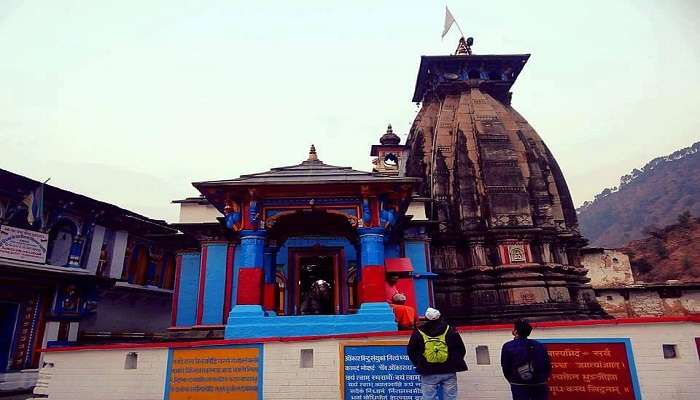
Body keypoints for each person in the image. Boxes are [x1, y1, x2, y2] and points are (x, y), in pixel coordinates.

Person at [407, 308, 467, 400]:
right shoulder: (450, 329)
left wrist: (419, 363)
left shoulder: (419, 331)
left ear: (426, 318)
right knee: (451, 397)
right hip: (449, 369)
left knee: (428, 397)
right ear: (440, 317)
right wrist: (454, 362)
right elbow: (460, 349)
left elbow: (411, 350)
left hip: (428, 369)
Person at [501, 319, 552, 400]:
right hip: (540, 383)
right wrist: (543, 378)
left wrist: (513, 380)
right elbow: (547, 365)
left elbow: (506, 367)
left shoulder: (508, 346)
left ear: (516, 332)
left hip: (519, 384)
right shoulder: (540, 345)